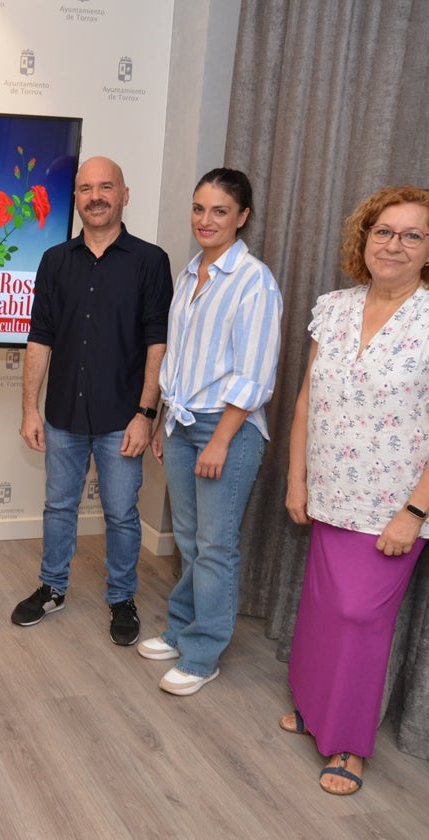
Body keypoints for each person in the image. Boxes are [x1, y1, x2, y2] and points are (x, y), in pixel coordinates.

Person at [281, 186, 429, 795]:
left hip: (395, 504)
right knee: (321, 607)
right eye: (383, 231)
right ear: (363, 239)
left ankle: (347, 744)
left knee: (359, 616)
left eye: (411, 235)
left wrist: (415, 511)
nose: (393, 244)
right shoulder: (334, 307)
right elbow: (309, 395)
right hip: (329, 490)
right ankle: (314, 709)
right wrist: (297, 476)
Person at [13, 156, 173, 645]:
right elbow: (40, 337)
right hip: (62, 413)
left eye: (106, 187)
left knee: (122, 514)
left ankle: (122, 598)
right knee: (58, 506)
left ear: (125, 195)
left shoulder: (150, 260)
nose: (96, 196)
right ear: (76, 198)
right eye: (86, 189)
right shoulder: (55, 261)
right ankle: (52, 587)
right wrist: (28, 408)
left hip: (122, 417)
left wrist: (147, 415)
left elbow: (157, 343)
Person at [138, 168, 282, 696]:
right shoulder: (188, 272)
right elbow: (178, 356)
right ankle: (180, 629)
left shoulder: (255, 282)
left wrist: (220, 439)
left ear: (242, 218)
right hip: (180, 422)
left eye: (220, 211)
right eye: (199, 208)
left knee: (217, 546)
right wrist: (160, 420)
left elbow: (255, 374)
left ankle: (203, 655)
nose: (206, 220)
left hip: (228, 430)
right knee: (192, 544)